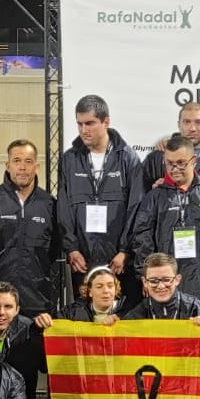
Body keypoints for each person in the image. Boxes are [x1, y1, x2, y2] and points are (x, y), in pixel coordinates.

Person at [58, 94, 143, 300]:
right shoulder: (69, 159)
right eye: (79, 124)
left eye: (90, 123)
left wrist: (125, 251)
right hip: (82, 259)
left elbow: (136, 208)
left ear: (106, 122)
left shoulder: (128, 158)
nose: (83, 130)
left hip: (119, 261)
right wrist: (72, 249)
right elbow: (63, 208)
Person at [130, 134, 200, 305]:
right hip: (167, 288)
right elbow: (141, 239)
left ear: (194, 160)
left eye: (181, 163)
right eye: (169, 164)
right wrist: (145, 275)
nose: (174, 169)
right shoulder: (154, 197)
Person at [0, 139, 59, 315]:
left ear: (37, 167)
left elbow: (55, 253)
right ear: (8, 165)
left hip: (37, 301)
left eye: (28, 162)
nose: (22, 167)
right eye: (17, 161)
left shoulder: (50, 204)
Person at [141, 101, 200, 191]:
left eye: (198, 122)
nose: (192, 128)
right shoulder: (157, 157)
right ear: (179, 125)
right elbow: (140, 194)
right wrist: (154, 191)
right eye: (187, 122)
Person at [121, 253, 200, 321]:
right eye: (153, 281)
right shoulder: (135, 316)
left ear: (177, 280)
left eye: (166, 280)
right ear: (145, 282)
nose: (161, 286)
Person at [41, 266, 123, 324]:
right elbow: (48, 334)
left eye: (110, 286)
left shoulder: (127, 313)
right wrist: (41, 324)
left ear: (116, 289)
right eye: (99, 286)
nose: (106, 291)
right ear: (89, 291)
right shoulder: (70, 313)